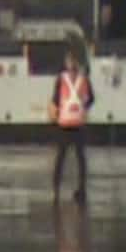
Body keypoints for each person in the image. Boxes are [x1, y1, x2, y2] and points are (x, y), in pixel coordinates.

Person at [49, 49, 93, 202]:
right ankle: (76, 189)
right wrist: (82, 107)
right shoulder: (81, 79)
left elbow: (55, 100)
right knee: (75, 158)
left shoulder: (64, 79)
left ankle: (59, 189)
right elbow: (90, 99)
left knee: (64, 158)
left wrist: (56, 113)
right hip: (74, 123)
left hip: (68, 123)